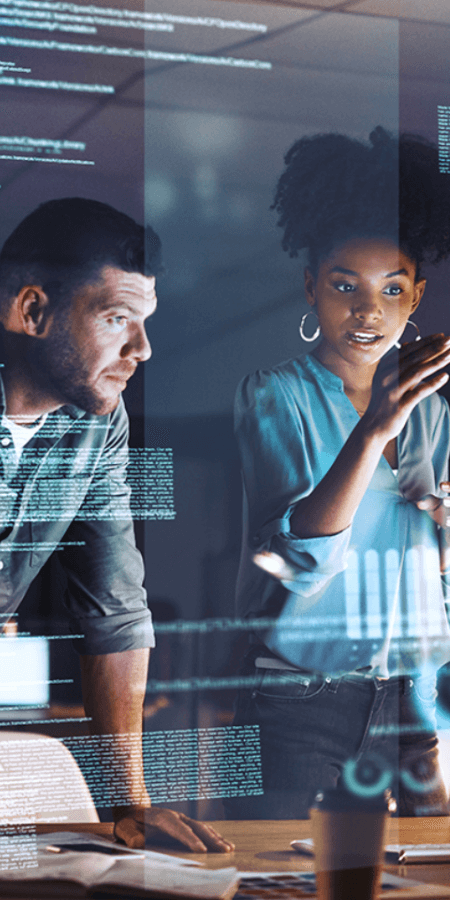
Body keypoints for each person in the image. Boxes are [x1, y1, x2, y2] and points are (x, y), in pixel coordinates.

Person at [225, 127, 450, 820]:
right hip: (300, 699)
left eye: (391, 289)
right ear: (310, 286)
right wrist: (375, 425)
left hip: (414, 696)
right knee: (285, 884)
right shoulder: (273, 394)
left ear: (414, 298)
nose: (367, 310)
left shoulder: (434, 412)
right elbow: (299, 562)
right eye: (344, 285)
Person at [0, 197, 234, 852]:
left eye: (145, 321)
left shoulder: (97, 422)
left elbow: (115, 609)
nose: (143, 348)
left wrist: (130, 803)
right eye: (116, 318)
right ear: (32, 311)